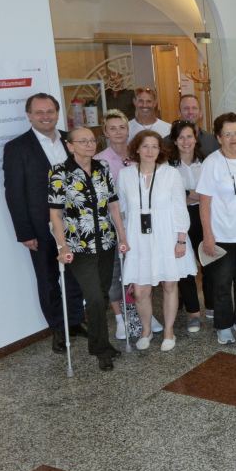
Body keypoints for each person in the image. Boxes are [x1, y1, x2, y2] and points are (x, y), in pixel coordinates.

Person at [4, 93, 85, 354]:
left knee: (75, 276)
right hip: (40, 227)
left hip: (74, 224)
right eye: (39, 112)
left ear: (58, 112)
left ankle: (74, 322)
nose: (45, 116)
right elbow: (14, 193)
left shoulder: (69, 140)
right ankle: (58, 330)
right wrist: (24, 231)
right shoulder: (17, 148)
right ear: (29, 115)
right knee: (48, 279)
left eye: (50, 111)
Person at [48, 127, 130, 371]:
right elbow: (55, 213)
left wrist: (122, 236)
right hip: (78, 246)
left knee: (103, 294)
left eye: (92, 140)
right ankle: (101, 348)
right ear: (70, 146)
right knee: (93, 298)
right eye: (82, 141)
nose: (89, 145)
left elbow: (113, 204)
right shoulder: (59, 173)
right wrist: (61, 246)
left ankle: (98, 342)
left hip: (105, 242)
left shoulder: (102, 167)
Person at [118, 130, 196, 352]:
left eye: (154, 146)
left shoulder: (170, 174)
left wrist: (181, 240)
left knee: (170, 284)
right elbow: (122, 210)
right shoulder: (125, 175)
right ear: (137, 149)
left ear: (160, 150)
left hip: (167, 235)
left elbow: (180, 208)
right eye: (145, 146)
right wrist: (122, 238)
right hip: (137, 239)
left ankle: (169, 331)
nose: (150, 151)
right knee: (141, 290)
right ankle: (146, 330)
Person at [197, 113, 236, 345]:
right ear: (219, 137)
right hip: (222, 233)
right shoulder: (211, 163)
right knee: (222, 282)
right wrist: (208, 235)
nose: (234, 138)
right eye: (228, 134)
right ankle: (223, 325)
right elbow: (204, 203)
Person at [95, 109, 134, 338]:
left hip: (137, 223)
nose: (118, 132)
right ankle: (120, 318)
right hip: (112, 225)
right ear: (105, 132)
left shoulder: (138, 153)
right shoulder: (100, 161)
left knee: (136, 270)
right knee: (115, 273)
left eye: (122, 127)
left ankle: (138, 313)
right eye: (113, 128)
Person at [169, 120, 209, 333]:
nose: (186, 141)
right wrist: (191, 194)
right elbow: (171, 196)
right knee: (185, 266)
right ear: (175, 140)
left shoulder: (206, 161)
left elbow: (210, 193)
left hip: (203, 215)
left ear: (196, 138)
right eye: (181, 137)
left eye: (190, 136)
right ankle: (193, 312)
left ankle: (211, 305)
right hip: (178, 218)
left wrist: (187, 194)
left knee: (208, 261)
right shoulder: (167, 165)